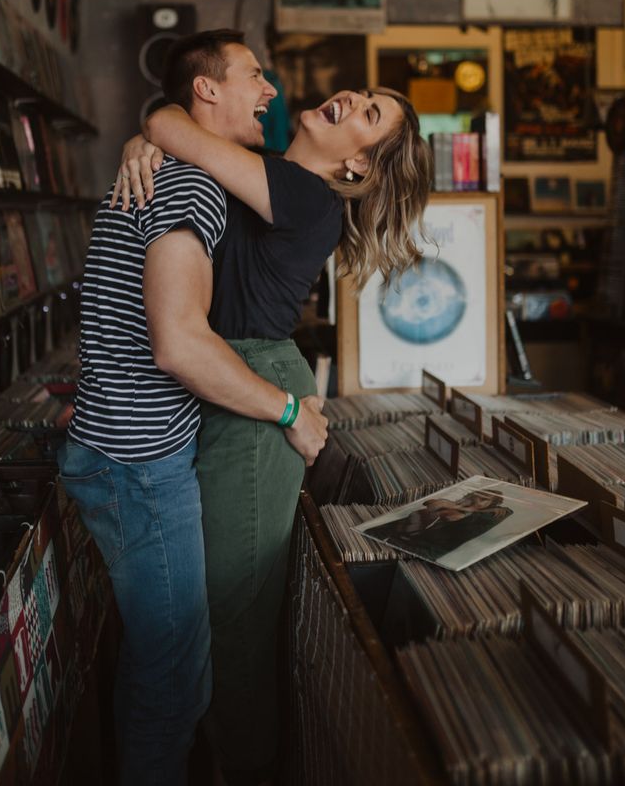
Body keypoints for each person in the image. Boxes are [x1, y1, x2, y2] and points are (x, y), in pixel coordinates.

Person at [116, 65, 433, 784]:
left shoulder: (304, 193)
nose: (352, 97)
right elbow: (170, 136)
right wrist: (145, 149)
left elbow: (169, 122)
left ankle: (246, 770)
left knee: (237, 624)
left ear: (357, 162)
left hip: (256, 401)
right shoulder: (264, 176)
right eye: (365, 94)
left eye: (369, 115)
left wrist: (154, 137)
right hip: (237, 385)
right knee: (219, 618)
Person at [59, 30, 329, 786]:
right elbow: (178, 344)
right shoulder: (189, 187)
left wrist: (152, 131)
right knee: (174, 683)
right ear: (206, 91)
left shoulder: (177, 172)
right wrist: (287, 410)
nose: (270, 90)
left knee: (168, 672)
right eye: (253, 76)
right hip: (138, 467)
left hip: (123, 451)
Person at [365, 489, 513, 562]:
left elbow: (458, 524)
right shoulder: (447, 506)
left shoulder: (481, 516)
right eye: (475, 494)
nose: (476, 499)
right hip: (394, 539)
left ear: (490, 505)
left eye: (483, 499)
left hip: (417, 552)